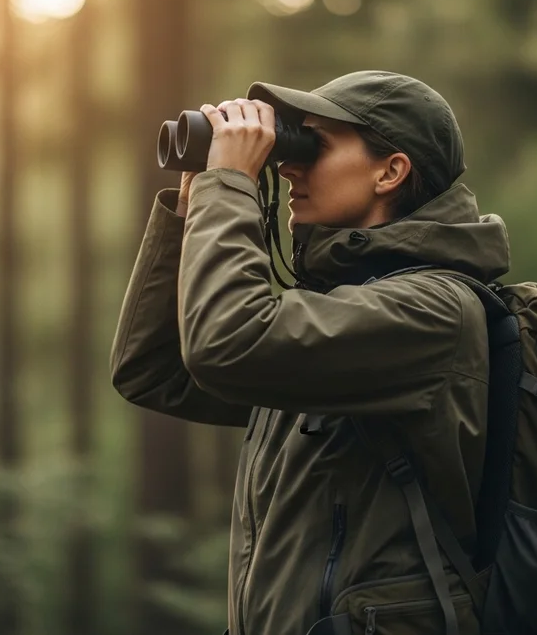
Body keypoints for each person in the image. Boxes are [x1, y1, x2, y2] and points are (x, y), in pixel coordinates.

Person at [110, 71, 511, 635]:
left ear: (390, 171)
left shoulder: (433, 312)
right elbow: (155, 368)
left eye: (312, 145)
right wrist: (193, 200)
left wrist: (229, 183)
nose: (288, 165)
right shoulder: (340, 308)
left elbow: (225, 344)